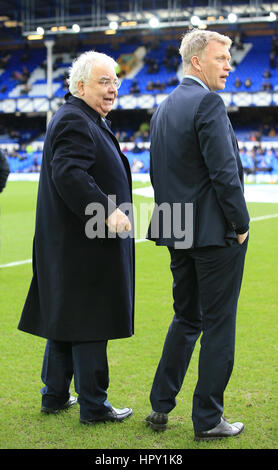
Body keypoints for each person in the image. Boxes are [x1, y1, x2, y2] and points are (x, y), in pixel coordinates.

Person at [18, 51, 134, 425]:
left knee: (66, 316)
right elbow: (69, 173)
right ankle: (94, 406)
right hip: (83, 245)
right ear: (80, 85)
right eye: (104, 81)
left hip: (71, 244)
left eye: (115, 80)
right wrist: (107, 209)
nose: (113, 88)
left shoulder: (80, 117)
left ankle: (54, 395)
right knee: (90, 320)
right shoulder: (75, 120)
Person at [145, 29, 250, 440]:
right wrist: (240, 224)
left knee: (187, 317)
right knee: (218, 324)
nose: (229, 64)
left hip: (176, 228)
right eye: (221, 57)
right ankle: (208, 419)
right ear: (196, 62)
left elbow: (158, 176)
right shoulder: (208, 102)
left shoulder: (164, 107)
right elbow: (225, 174)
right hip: (212, 235)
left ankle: (160, 405)